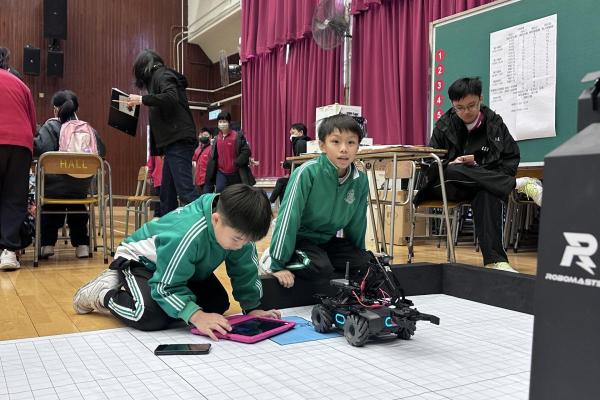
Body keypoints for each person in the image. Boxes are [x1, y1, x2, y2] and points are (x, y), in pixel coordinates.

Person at [72, 184, 281, 336]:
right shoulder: (188, 234)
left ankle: (167, 303)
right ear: (216, 219)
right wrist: (196, 316)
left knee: (216, 303)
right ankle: (104, 294)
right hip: (142, 262)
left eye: (248, 241)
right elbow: (164, 286)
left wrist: (252, 308)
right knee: (149, 316)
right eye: (237, 240)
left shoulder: (237, 229)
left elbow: (245, 271)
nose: (242, 245)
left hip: (182, 268)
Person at [414, 77, 526, 272]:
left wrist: (478, 167)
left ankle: (495, 260)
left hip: (480, 185)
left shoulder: (494, 124)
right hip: (448, 184)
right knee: (452, 169)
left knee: (488, 191)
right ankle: (518, 184)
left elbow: (510, 158)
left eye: (471, 105)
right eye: (459, 108)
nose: (466, 112)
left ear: (480, 99)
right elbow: (429, 163)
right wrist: (452, 164)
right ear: (452, 104)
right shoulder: (444, 125)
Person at [260, 114, 370, 288]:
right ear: (322, 145)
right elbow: (289, 218)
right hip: (299, 239)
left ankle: (321, 261)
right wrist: (277, 263)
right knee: (320, 268)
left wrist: (358, 255)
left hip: (326, 241)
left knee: (366, 262)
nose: (344, 149)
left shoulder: (360, 180)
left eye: (351, 142)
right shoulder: (307, 173)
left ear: (358, 146)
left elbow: (357, 223)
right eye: (336, 142)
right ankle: (271, 258)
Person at [33, 90, 106, 259]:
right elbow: (102, 151)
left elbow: (40, 149)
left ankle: (47, 244)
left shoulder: (50, 127)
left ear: (55, 109)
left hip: (54, 187)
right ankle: (82, 245)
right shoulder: (88, 129)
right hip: (81, 187)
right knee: (77, 203)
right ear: (76, 108)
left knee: (51, 204)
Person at [126, 49, 199, 216]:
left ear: (144, 68)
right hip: (173, 143)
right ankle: (169, 228)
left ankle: (209, 225)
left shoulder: (162, 74)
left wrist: (142, 99)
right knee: (167, 195)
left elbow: (171, 97)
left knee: (185, 192)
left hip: (178, 141)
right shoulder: (160, 77)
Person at [0, 68, 36, 270]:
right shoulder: (21, 85)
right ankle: (9, 252)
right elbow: (32, 124)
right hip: (21, 143)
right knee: (14, 197)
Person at [205, 111, 255, 193]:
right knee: (220, 191)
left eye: (224, 121)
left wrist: (237, 162)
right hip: (221, 172)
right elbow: (213, 156)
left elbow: (246, 151)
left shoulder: (237, 136)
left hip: (236, 172)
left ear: (229, 122)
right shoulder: (217, 138)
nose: (222, 124)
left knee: (236, 193)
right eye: (220, 122)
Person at [269, 123, 311, 204]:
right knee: (283, 185)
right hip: (303, 175)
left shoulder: (300, 142)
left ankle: (269, 203)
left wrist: (286, 165)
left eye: (293, 133)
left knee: (281, 182)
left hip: (302, 177)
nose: (291, 136)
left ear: (301, 132)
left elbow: (300, 161)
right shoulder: (304, 142)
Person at [193, 127, 214, 194]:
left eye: (205, 135)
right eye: (201, 135)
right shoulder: (198, 149)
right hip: (197, 180)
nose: (203, 137)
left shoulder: (212, 149)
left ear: (210, 137)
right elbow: (193, 160)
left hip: (207, 181)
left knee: (206, 198)